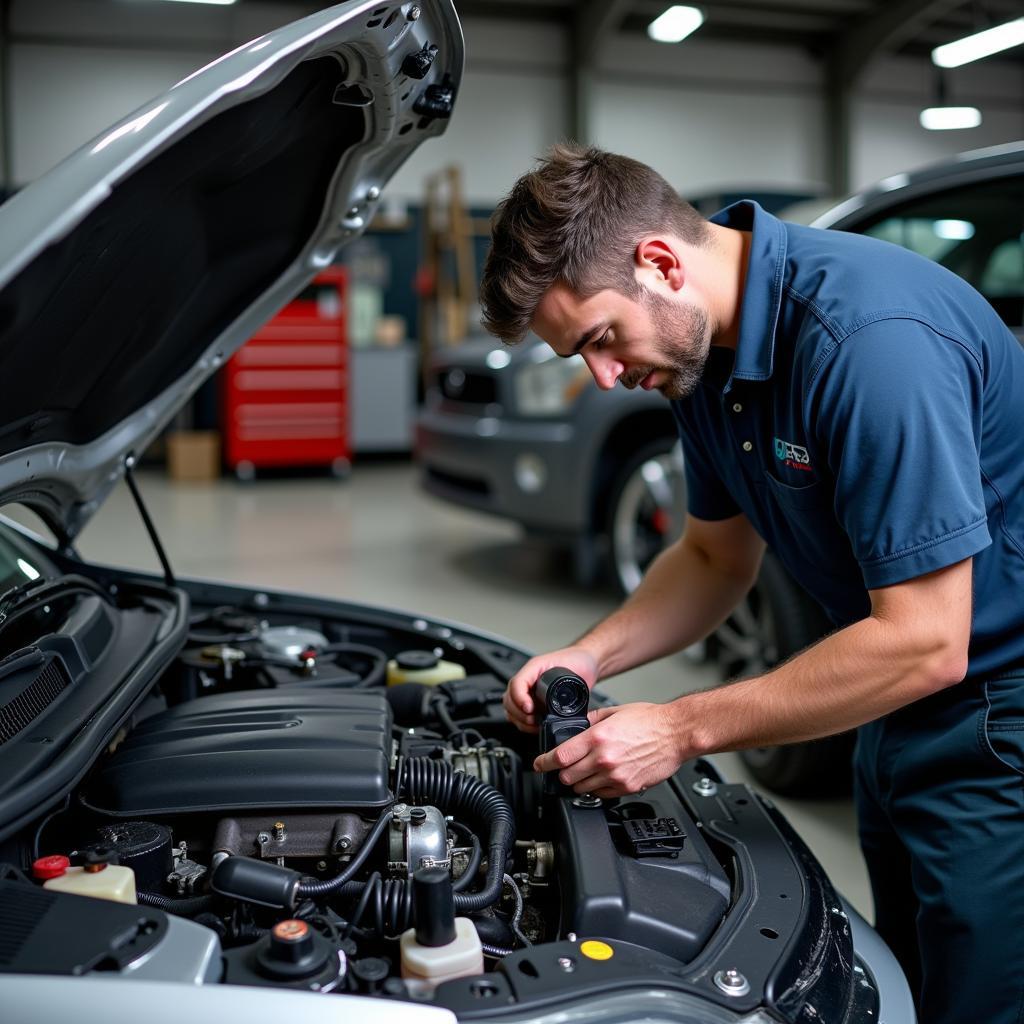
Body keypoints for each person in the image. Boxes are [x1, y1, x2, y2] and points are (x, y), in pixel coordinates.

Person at [477, 142, 1024, 1024]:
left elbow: (927, 640)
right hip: (891, 704)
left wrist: (681, 728)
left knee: (984, 1000)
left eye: (600, 340)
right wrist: (587, 655)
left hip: (999, 721)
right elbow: (710, 560)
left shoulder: (869, 344)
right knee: (916, 979)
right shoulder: (706, 354)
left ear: (660, 263)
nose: (606, 378)